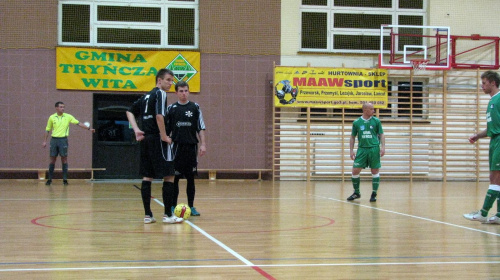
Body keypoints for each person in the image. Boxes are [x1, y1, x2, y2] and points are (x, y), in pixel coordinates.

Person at [126, 69, 183, 224]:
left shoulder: (146, 96)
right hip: (157, 139)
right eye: (168, 80)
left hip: (146, 140)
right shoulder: (160, 94)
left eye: (172, 80)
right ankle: (167, 215)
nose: (171, 83)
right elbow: (159, 116)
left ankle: (148, 215)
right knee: (169, 175)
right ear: (159, 80)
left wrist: (137, 130)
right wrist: (164, 136)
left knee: (147, 176)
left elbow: (129, 112)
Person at [464, 70, 500, 224]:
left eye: (484, 83)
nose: (482, 86)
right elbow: (493, 128)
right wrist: (477, 136)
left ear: (493, 83)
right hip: (494, 141)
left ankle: (483, 213)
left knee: (495, 178)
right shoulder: (492, 101)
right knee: (496, 179)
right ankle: (498, 215)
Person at [166, 81, 206, 216]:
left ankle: (192, 206)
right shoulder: (171, 109)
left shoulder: (195, 107)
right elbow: (166, 130)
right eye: (181, 91)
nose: (184, 93)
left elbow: (200, 128)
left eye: (186, 91)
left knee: (190, 178)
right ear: (176, 92)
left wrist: (203, 144)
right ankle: (172, 206)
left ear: (189, 92)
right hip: (176, 147)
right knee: (175, 178)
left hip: (191, 147)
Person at [43, 101, 95, 186]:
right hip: (54, 140)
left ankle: (65, 179)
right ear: (56, 108)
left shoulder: (68, 116)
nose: (62, 108)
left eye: (63, 107)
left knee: (64, 159)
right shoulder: (52, 117)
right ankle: (49, 179)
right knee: (52, 159)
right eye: (61, 107)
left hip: (63, 140)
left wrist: (89, 129)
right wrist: (45, 141)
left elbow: (78, 123)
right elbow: (47, 129)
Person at [347, 102, 385, 202]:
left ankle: (374, 193)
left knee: (375, 171)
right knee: (355, 171)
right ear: (365, 110)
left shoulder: (376, 121)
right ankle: (356, 192)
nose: (373, 111)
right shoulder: (357, 122)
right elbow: (352, 137)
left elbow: (381, 134)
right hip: (362, 149)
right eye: (371, 109)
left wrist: (383, 147)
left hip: (374, 149)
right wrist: (351, 150)